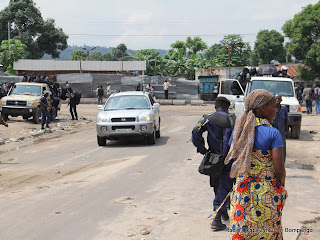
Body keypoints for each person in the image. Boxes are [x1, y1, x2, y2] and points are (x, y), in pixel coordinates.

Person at [225, 89, 287, 239]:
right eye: (273, 106)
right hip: (267, 192)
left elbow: (235, 158)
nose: (276, 110)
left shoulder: (239, 131)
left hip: (243, 190)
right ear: (262, 108)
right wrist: (280, 186)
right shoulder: (273, 133)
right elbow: (279, 169)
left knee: (243, 232)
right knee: (267, 233)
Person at [192, 97, 235, 231]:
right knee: (225, 186)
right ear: (227, 107)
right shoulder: (233, 119)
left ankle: (222, 211)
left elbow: (195, 131)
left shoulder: (208, 118)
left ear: (216, 106)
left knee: (218, 184)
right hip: (229, 158)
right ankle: (217, 216)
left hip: (213, 158)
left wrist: (202, 149)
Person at [270, 94, 288, 162]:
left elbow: (286, 121)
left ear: (281, 100)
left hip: (281, 133)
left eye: (279, 99)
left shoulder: (284, 109)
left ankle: (282, 164)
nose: (277, 101)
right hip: (272, 134)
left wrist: (287, 132)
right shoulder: (270, 109)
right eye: (276, 99)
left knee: (282, 150)